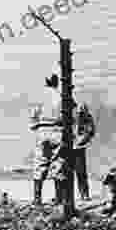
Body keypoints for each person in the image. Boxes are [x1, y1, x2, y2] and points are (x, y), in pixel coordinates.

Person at [29, 74, 66, 205]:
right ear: (56, 83)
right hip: (58, 131)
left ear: (47, 82)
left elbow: (33, 115)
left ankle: (37, 199)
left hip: (43, 130)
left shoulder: (40, 96)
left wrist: (35, 127)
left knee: (40, 163)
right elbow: (70, 114)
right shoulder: (62, 95)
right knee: (58, 164)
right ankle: (59, 199)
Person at [74, 102, 96, 201]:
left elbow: (90, 131)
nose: (79, 115)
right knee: (62, 172)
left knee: (81, 171)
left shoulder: (87, 117)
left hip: (79, 147)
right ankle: (60, 197)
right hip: (66, 146)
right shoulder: (67, 114)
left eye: (81, 112)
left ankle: (84, 194)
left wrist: (81, 140)